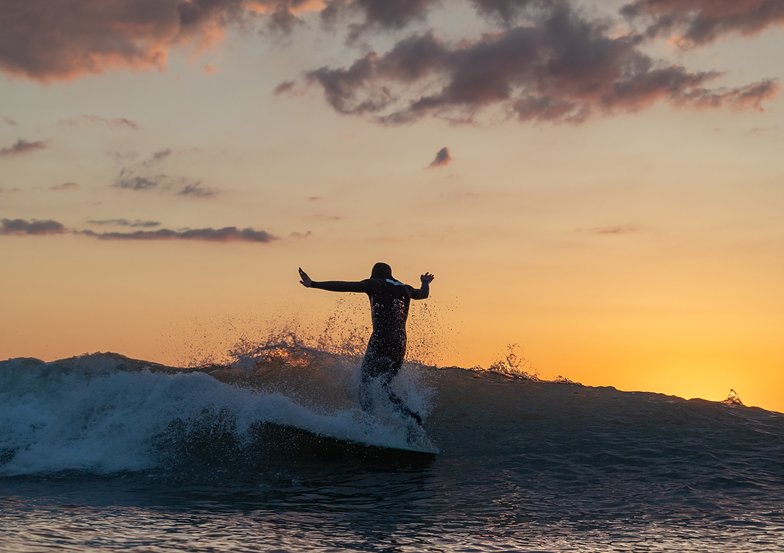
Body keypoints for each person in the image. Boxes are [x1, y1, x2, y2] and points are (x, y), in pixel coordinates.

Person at [298, 262, 434, 426]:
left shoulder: (374, 283)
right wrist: (425, 282)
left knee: (365, 382)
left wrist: (313, 284)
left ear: (374, 274)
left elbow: (346, 286)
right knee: (384, 385)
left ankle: (369, 426)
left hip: (381, 338)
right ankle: (410, 417)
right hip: (400, 342)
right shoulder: (405, 288)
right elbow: (423, 294)